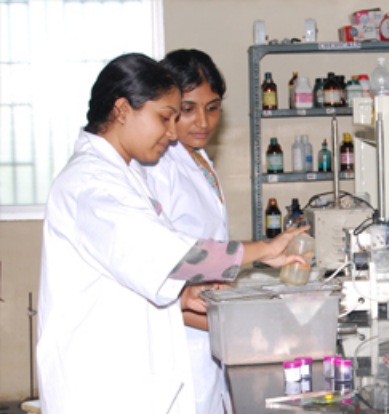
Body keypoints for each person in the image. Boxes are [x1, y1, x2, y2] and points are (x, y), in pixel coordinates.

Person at [37, 53, 307, 414]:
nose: (171, 131)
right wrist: (262, 250)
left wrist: (183, 296)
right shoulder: (91, 184)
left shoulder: (123, 175)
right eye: (165, 117)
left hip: (134, 372)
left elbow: (126, 272)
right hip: (101, 383)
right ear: (122, 110)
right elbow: (169, 254)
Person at [144, 48, 230, 413]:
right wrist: (235, 329)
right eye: (188, 108)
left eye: (213, 107)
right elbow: (158, 279)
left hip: (206, 332)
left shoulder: (199, 158)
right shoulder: (159, 165)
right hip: (180, 341)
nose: (203, 121)